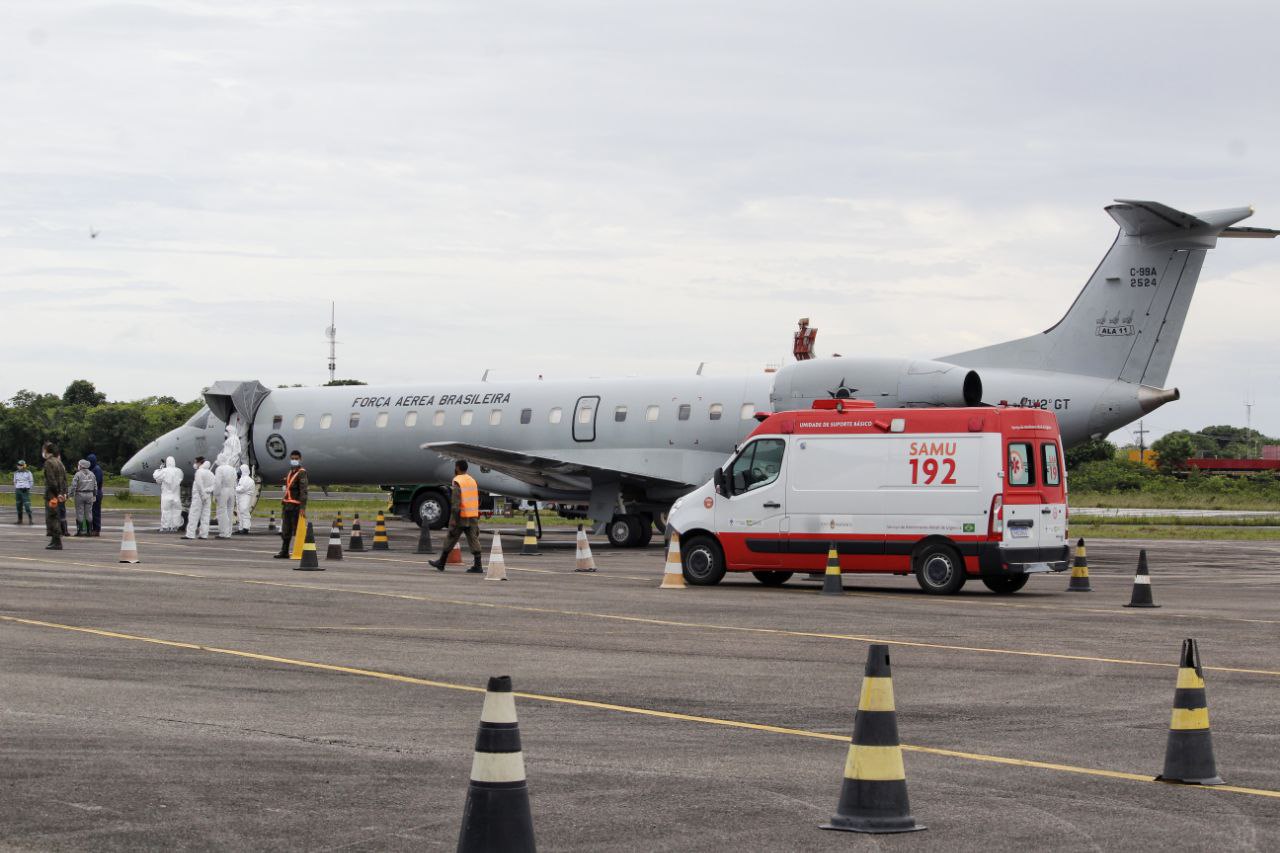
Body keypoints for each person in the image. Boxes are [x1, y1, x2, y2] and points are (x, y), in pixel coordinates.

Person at [429, 459, 483, 573]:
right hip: (472, 515)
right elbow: (476, 499)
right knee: (473, 539)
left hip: (461, 516)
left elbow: (456, 503)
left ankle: (441, 563)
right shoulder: (472, 480)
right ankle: (478, 565)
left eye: (455, 466)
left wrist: (453, 519)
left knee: (451, 537)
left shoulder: (458, 481)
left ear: (458, 468)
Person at [274, 450, 307, 558]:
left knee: (297, 529)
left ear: (300, 459)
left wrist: (302, 507)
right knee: (285, 530)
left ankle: (302, 551)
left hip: (296, 506)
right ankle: (284, 551)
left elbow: (303, 490)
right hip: (287, 505)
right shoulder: (290, 472)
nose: (294, 460)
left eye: (296, 459)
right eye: (292, 458)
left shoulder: (301, 472)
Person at [42, 442, 67, 550]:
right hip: (60, 494)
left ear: (47, 450)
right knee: (56, 516)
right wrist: (63, 493)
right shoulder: (59, 462)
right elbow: (65, 480)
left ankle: (56, 541)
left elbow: (51, 481)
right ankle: (54, 540)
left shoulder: (49, 463)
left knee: (52, 517)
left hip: (52, 495)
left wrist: (56, 494)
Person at [184, 460, 214, 539]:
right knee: (206, 515)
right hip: (208, 497)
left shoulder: (199, 472)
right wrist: (207, 491)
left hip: (199, 496)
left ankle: (190, 534)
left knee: (194, 515)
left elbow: (199, 484)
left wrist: (203, 493)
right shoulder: (211, 474)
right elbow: (214, 486)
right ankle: (204, 534)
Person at [153, 456, 184, 532]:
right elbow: (180, 478)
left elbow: (155, 476)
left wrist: (160, 468)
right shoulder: (179, 471)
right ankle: (175, 527)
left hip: (167, 495)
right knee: (176, 511)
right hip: (176, 495)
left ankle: (165, 527)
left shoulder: (164, 471)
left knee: (166, 511)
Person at [71, 460, 97, 536]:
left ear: (81, 466)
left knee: (80, 512)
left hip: (80, 494)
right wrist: (94, 495)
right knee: (89, 512)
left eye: (78, 464)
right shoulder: (92, 474)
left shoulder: (78, 474)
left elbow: (73, 486)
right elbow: (95, 486)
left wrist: (71, 494)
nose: (78, 466)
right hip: (90, 494)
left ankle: (80, 531)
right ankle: (89, 531)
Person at [213, 461, 237, 539]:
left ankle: (223, 532)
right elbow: (235, 481)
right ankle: (229, 532)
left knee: (222, 511)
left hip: (223, 490)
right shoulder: (232, 469)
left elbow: (217, 483)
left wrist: (216, 494)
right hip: (232, 490)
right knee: (230, 511)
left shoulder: (219, 469)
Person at [235, 464, 256, 534]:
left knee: (244, 511)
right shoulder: (242, 478)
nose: (239, 471)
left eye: (240, 470)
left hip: (245, 497)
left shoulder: (247, 479)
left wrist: (234, 488)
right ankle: (241, 528)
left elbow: (242, 489)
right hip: (241, 497)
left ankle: (246, 527)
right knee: (240, 512)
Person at [86, 452, 104, 536]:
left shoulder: (97, 470)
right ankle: (92, 528)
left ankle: (96, 530)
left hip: (96, 493)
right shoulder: (92, 469)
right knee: (91, 512)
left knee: (95, 512)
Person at [13, 460, 34, 524]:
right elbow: (14, 481)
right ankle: (20, 520)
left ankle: (30, 520)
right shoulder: (16, 473)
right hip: (18, 490)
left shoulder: (28, 473)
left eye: (20, 465)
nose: (19, 466)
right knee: (18, 505)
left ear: (24, 466)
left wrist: (28, 488)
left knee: (27, 505)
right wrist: (16, 487)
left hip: (25, 490)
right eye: (18, 465)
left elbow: (31, 481)